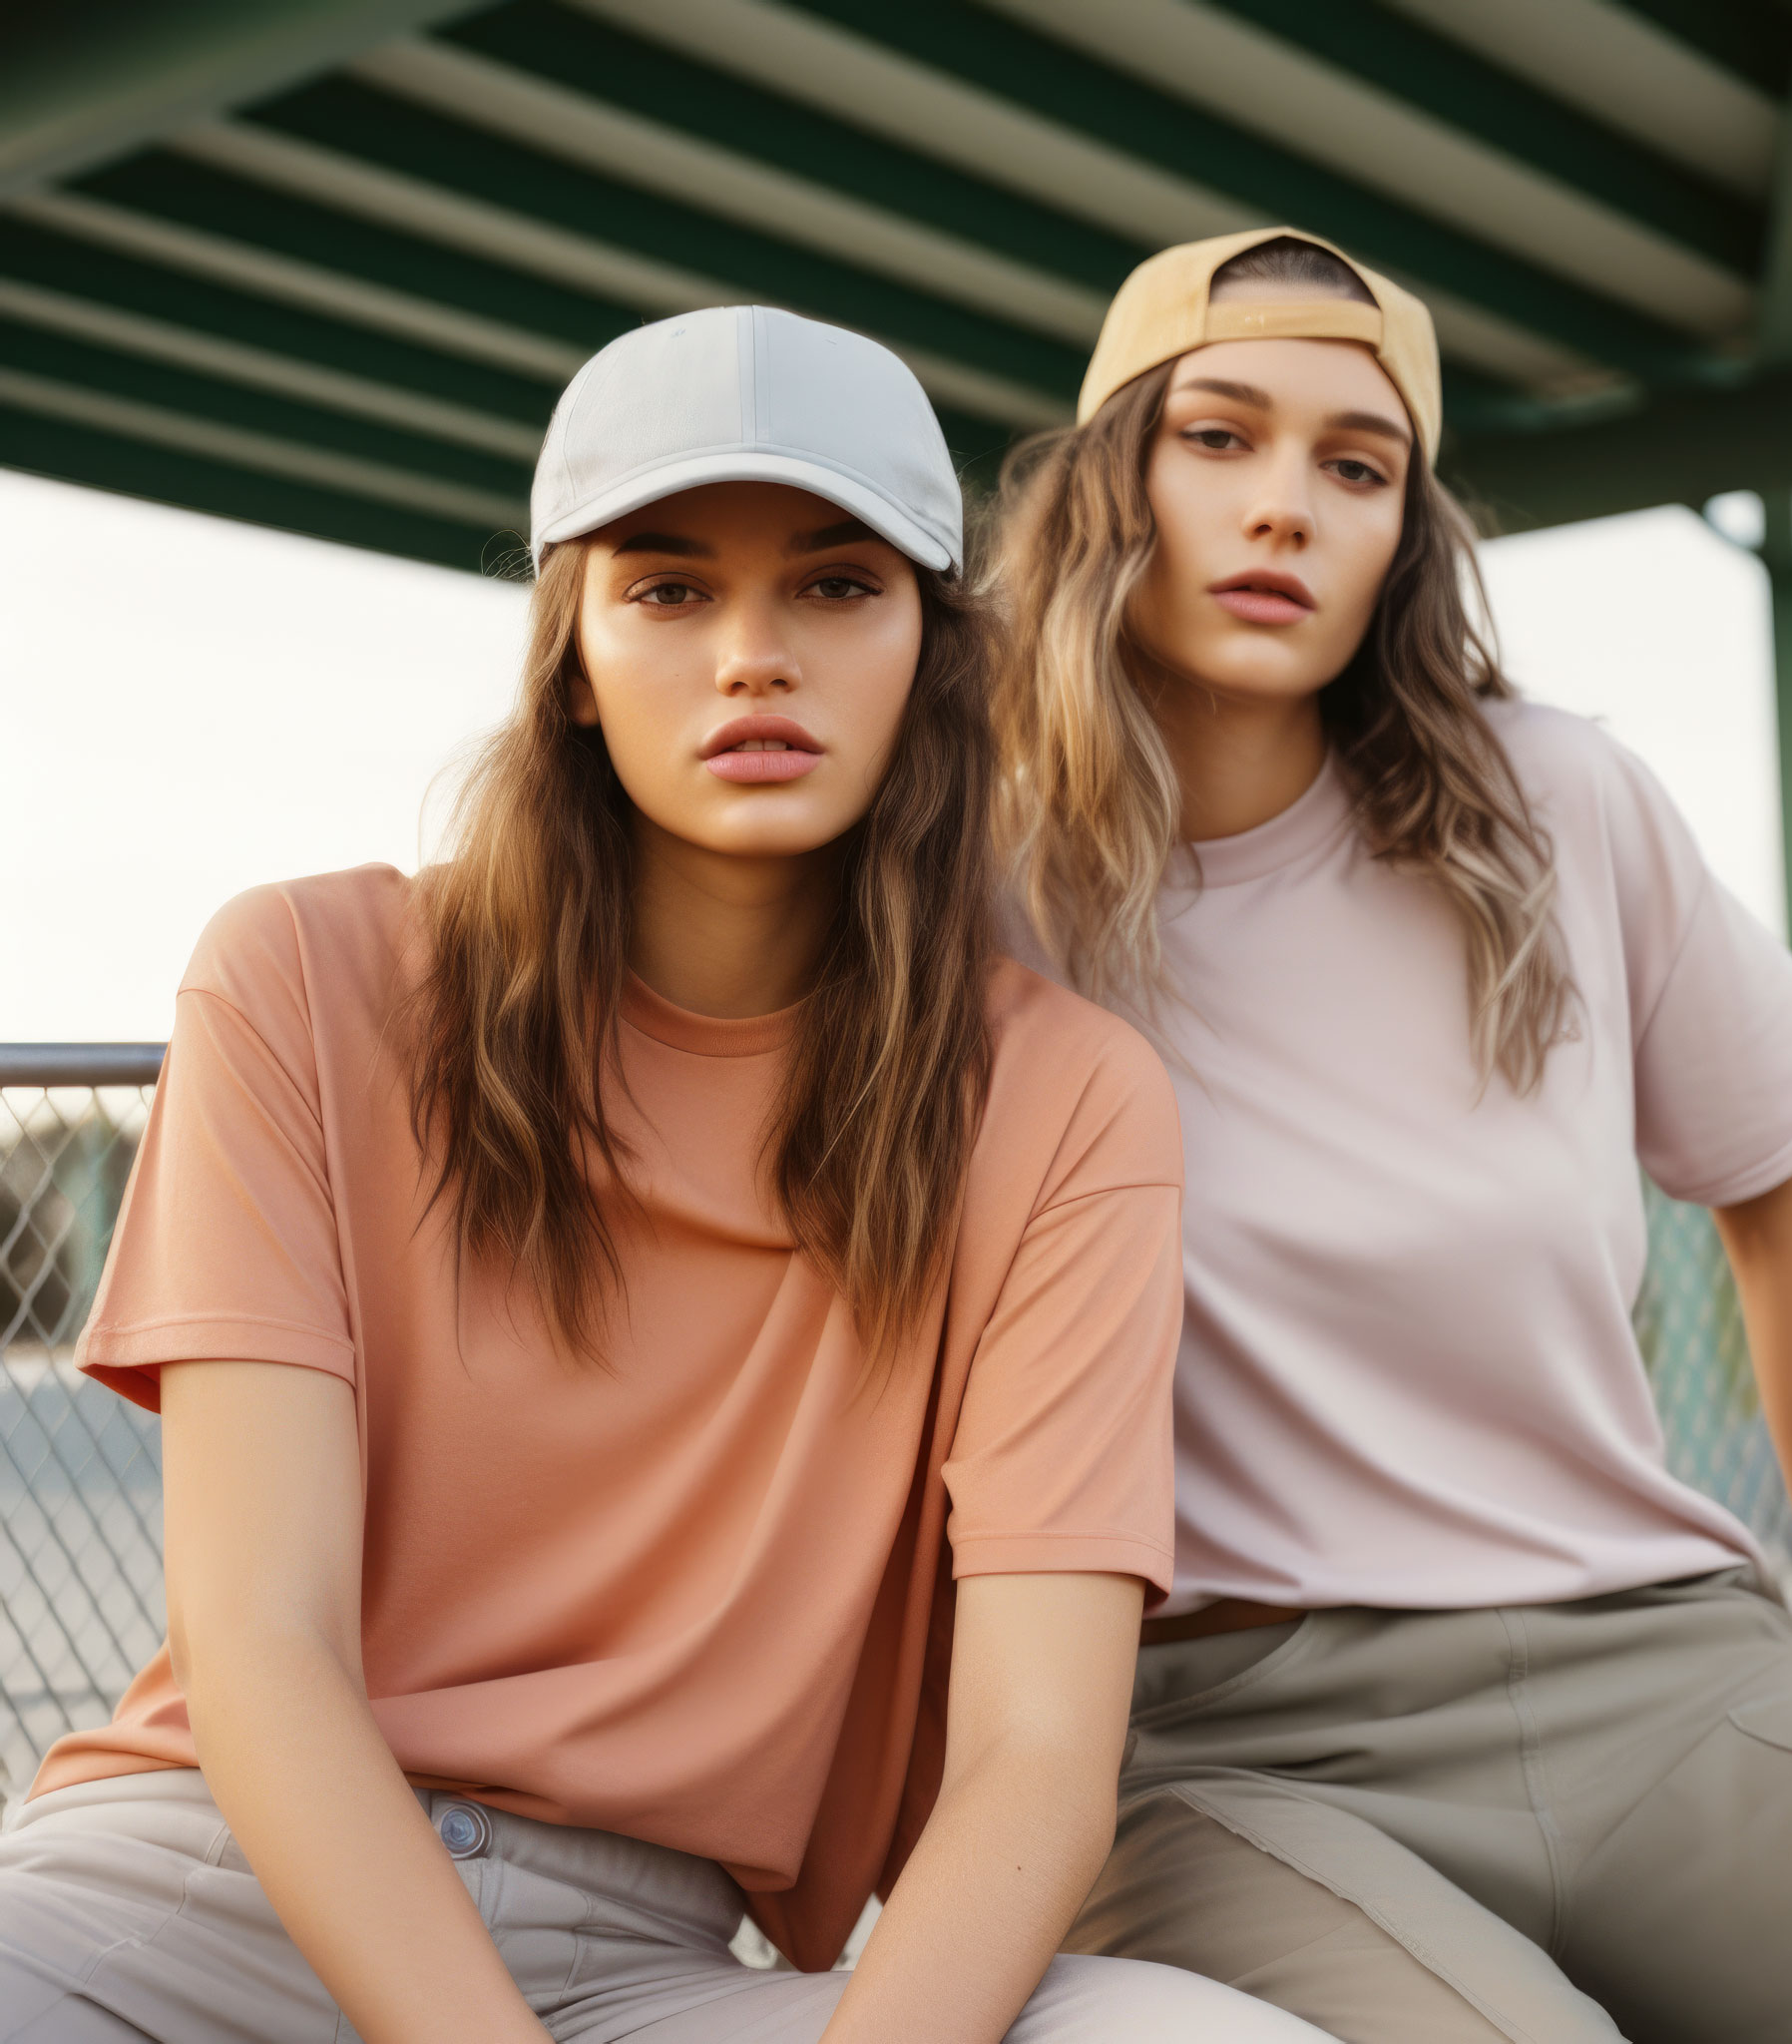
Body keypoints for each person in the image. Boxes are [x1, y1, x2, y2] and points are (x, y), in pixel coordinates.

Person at [0, 306, 1331, 2044]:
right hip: (196, 1897)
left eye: (837, 586)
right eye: (671, 590)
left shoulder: (1063, 1103)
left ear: (932, 650)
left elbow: (1036, 1754)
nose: (753, 659)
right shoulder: (303, 982)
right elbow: (264, 1650)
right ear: (573, 654)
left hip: (641, 1968)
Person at [990, 228, 1792, 2044]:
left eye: (1357, 467)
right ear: (1111, 485)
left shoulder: (1555, 803)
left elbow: (1787, 1187)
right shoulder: (957, 891)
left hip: (1662, 1670)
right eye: (1219, 437)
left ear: (1404, 534)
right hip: (1232, 1739)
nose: (1286, 505)